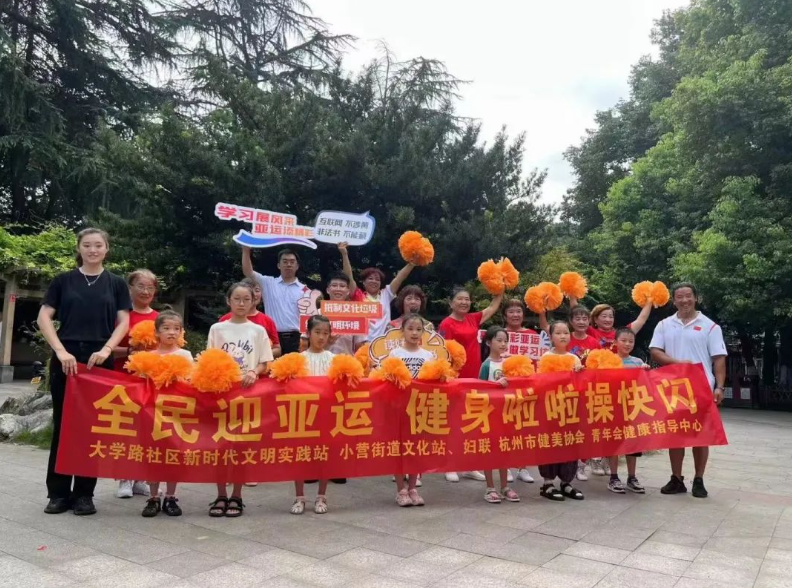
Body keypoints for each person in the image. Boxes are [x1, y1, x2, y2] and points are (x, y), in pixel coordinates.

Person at [37, 228, 132, 516]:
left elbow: (124, 321)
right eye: (87, 245)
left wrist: (106, 349)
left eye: (98, 245)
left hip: (98, 360)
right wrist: (60, 350)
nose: (93, 250)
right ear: (79, 248)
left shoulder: (115, 283)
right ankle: (58, 493)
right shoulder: (64, 280)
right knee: (63, 424)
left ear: (107, 249)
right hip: (66, 359)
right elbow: (44, 316)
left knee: (93, 428)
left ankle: (84, 495)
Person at [650, 282, 727, 499]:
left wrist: (720, 386)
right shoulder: (664, 325)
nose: (684, 301)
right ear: (674, 300)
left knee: (700, 436)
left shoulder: (710, 326)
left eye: (688, 296)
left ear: (696, 298)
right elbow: (655, 351)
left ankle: (699, 479)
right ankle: (676, 478)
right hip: (673, 388)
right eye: (679, 297)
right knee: (676, 434)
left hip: (701, 387)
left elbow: (719, 358)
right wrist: (678, 364)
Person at [207, 282, 273, 517]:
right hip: (222, 393)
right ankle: (220, 495)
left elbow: (266, 361)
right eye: (237, 299)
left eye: (246, 299)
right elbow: (209, 361)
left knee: (241, 444)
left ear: (253, 301)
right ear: (229, 301)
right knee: (220, 444)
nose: (242, 303)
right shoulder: (217, 329)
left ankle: (237, 495)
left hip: (247, 393)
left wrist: (254, 371)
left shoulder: (258, 331)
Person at [439, 287, 503, 483]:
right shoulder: (446, 324)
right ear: (451, 302)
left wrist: (500, 286)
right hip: (455, 379)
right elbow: (441, 352)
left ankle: (469, 466)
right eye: (460, 299)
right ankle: (449, 464)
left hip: (475, 378)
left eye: (467, 299)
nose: (464, 302)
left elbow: (493, 307)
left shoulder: (473, 319)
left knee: (471, 421)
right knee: (452, 422)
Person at [142, 310, 193, 517]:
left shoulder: (185, 355)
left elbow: (191, 383)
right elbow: (138, 386)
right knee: (152, 455)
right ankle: (153, 496)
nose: (171, 333)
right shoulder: (147, 358)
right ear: (156, 332)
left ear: (181, 332)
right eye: (166, 328)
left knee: (174, 454)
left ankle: (171, 496)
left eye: (176, 329)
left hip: (177, 412)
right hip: (152, 414)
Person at [113, 269, 159, 499]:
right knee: (126, 429)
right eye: (140, 286)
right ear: (129, 288)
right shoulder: (121, 315)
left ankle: (141, 478)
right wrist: (131, 350)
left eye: (150, 287)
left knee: (147, 429)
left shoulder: (159, 318)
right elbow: (107, 348)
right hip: (123, 378)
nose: (145, 291)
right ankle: (124, 477)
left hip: (151, 382)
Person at [538, 321, 585, 502]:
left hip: (570, 410)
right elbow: (540, 383)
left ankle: (566, 482)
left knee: (569, 444)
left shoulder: (574, 359)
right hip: (550, 409)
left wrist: (580, 373)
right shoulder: (546, 357)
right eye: (558, 333)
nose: (563, 336)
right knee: (550, 443)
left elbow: (581, 387)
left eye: (566, 332)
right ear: (551, 336)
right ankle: (547, 483)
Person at [291, 316, 334, 515]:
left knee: (324, 455)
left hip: (325, 414)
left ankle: (321, 495)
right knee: (299, 456)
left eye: (325, 333)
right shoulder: (297, 360)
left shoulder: (333, 359)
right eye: (317, 332)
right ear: (308, 334)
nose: (321, 337)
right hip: (302, 414)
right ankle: (299, 497)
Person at [388, 314, 429, 506]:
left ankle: (412, 487)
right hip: (398, 409)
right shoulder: (395, 355)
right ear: (402, 331)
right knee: (398, 450)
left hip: (420, 409)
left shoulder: (428, 356)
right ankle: (400, 489)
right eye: (410, 329)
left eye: (418, 329)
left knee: (416, 450)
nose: (414, 333)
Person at [339, 241, 416, 341]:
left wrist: (411, 264)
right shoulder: (358, 296)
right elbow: (348, 276)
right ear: (363, 282)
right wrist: (344, 254)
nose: (374, 281)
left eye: (377, 279)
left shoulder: (386, 294)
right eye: (370, 278)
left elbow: (399, 278)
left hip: (383, 344)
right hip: (362, 344)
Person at [479, 326, 520, 503]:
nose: (503, 344)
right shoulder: (487, 364)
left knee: (504, 451)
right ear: (489, 342)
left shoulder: (510, 363)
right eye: (499, 340)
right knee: (489, 451)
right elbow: (479, 389)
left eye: (505, 340)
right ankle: (490, 487)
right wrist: (496, 385)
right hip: (489, 414)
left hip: (507, 413)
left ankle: (505, 486)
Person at [607, 327, 649, 494]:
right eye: (623, 340)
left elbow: (645, 385)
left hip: (633, 408)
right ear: (615, 342)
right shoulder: (608, 361)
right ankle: (613, 477)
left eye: (630, 341)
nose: (627, 344)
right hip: (612, 408)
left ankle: (632, 477)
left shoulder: (638, 362)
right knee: (615, 443)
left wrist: (645, 372)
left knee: (633, 444)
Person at [242, 247, 307, 354]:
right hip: (271, 336)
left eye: (292, 262)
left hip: (296, 339)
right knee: (269, 369)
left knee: (292, 369)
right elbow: (248, 272)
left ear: (297, 266)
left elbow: (307, 317)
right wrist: (246, 250)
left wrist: (304, 338)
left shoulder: (305, 290)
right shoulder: (268, 283)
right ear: (278, 265)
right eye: (285, 261)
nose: (288, 264)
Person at [219, 276, 281, 358]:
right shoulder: (225, 320)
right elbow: (217, 348)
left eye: (257, 290)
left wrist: (260, 354)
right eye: (250, 290)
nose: (254, 294)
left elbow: (277, 350)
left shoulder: (267, 321)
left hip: (259, 369)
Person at [324, 272, 366, 355]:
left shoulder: (356, 316)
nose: (338, 289)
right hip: (321, 363)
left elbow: (359, 346)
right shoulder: (316, 313)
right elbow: (306, 342)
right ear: (328, 290)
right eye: (334, 285)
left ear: (348, 291)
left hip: (346, 363)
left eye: (342, 286)